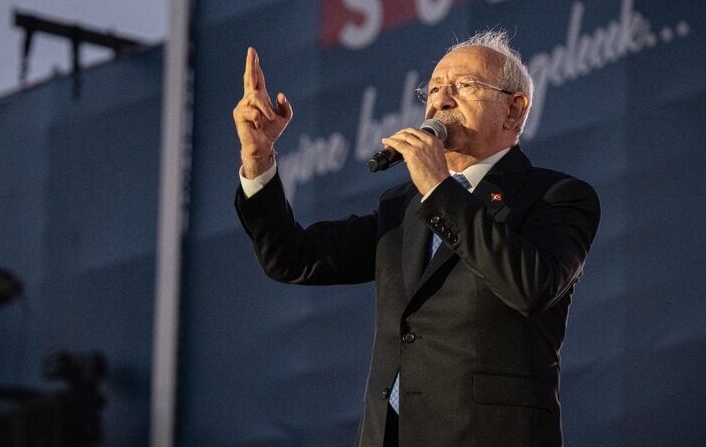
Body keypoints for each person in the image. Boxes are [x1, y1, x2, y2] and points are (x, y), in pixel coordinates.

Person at [233, 31, 600, 446]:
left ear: (513, 110)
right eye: (434, 88)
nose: (441, 99)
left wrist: (440, 190)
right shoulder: (405, 207)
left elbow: (530, 285)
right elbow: (293, 258)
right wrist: (258, 158)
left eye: (463, 86)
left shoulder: (556, 197)